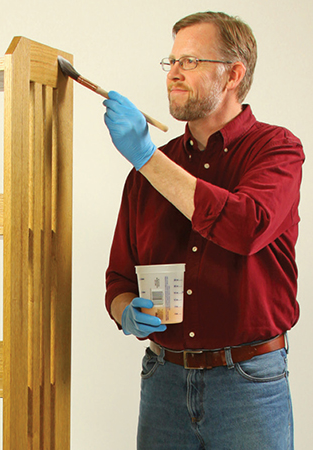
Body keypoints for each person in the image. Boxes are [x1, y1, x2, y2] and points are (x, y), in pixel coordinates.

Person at [103, 11, 303, 450]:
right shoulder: (145, 174)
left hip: (249, 383)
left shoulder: (276, 149)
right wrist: (124, 312)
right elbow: (119, 275)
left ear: (233, 73)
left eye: (190, 62)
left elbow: (247, 226)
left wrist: (145, 156)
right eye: (171, 62)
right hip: (163, 380)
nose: (174, 73)